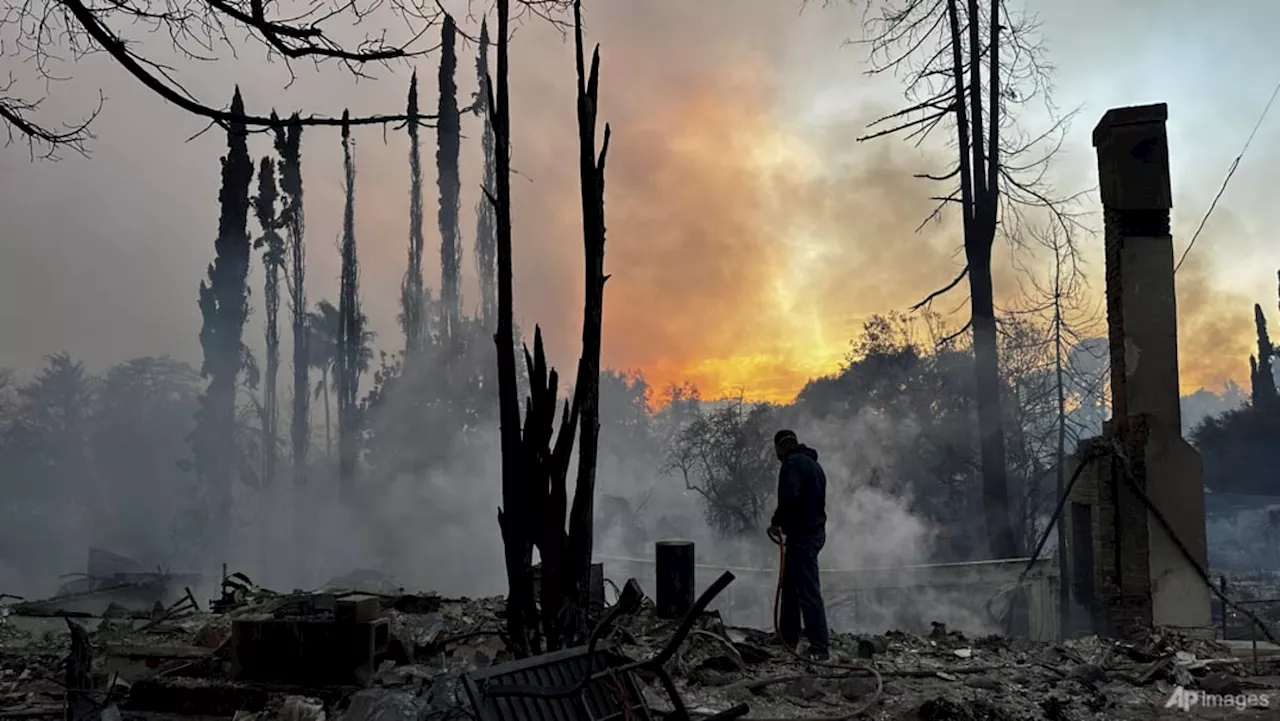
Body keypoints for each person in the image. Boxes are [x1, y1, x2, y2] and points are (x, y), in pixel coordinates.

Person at [767, 429, 830, 661]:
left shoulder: (791, 465)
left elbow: (788, 499)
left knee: (808, 592)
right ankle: (788, 635)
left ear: (780, 447)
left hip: (803, 536)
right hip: (814, 532)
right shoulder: (814, 465)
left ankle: (820, 648)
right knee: (790, 586)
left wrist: (776, 522)